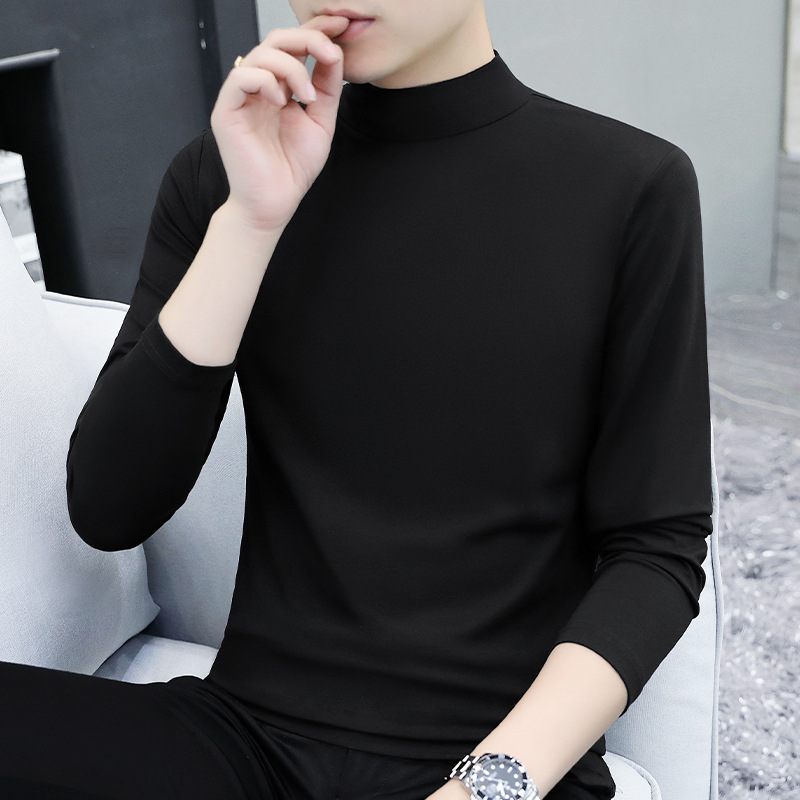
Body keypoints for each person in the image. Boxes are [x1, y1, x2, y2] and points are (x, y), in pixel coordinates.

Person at [0, 1, 713, 798]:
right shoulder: (226, 172)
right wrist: (250, 221)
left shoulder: (629, 185)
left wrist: (489, 786)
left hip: (482, 762)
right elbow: (108, 509)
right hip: (245, 740)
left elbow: (657, 549)